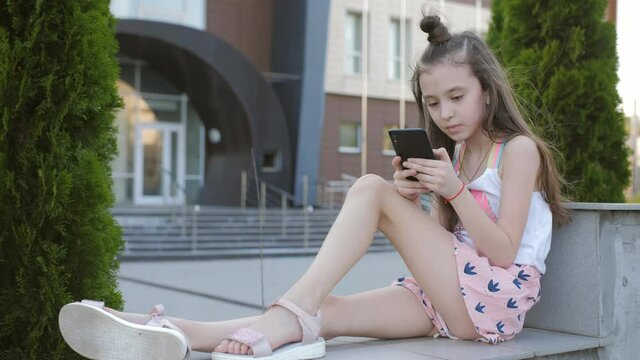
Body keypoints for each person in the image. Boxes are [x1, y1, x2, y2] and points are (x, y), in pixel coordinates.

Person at [58, 13, 571, 360]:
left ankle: (294, 304)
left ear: (487, 88)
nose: (446, 113)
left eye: (457, 96)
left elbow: (502, 252)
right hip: (452, 296)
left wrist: (452, 191)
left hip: (493, 302)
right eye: (434, 103)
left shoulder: (517, 150)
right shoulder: (457, 154)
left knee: (370, 189)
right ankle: (178, 333)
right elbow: (452, 242)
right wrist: (425, 199)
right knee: (330, 313)